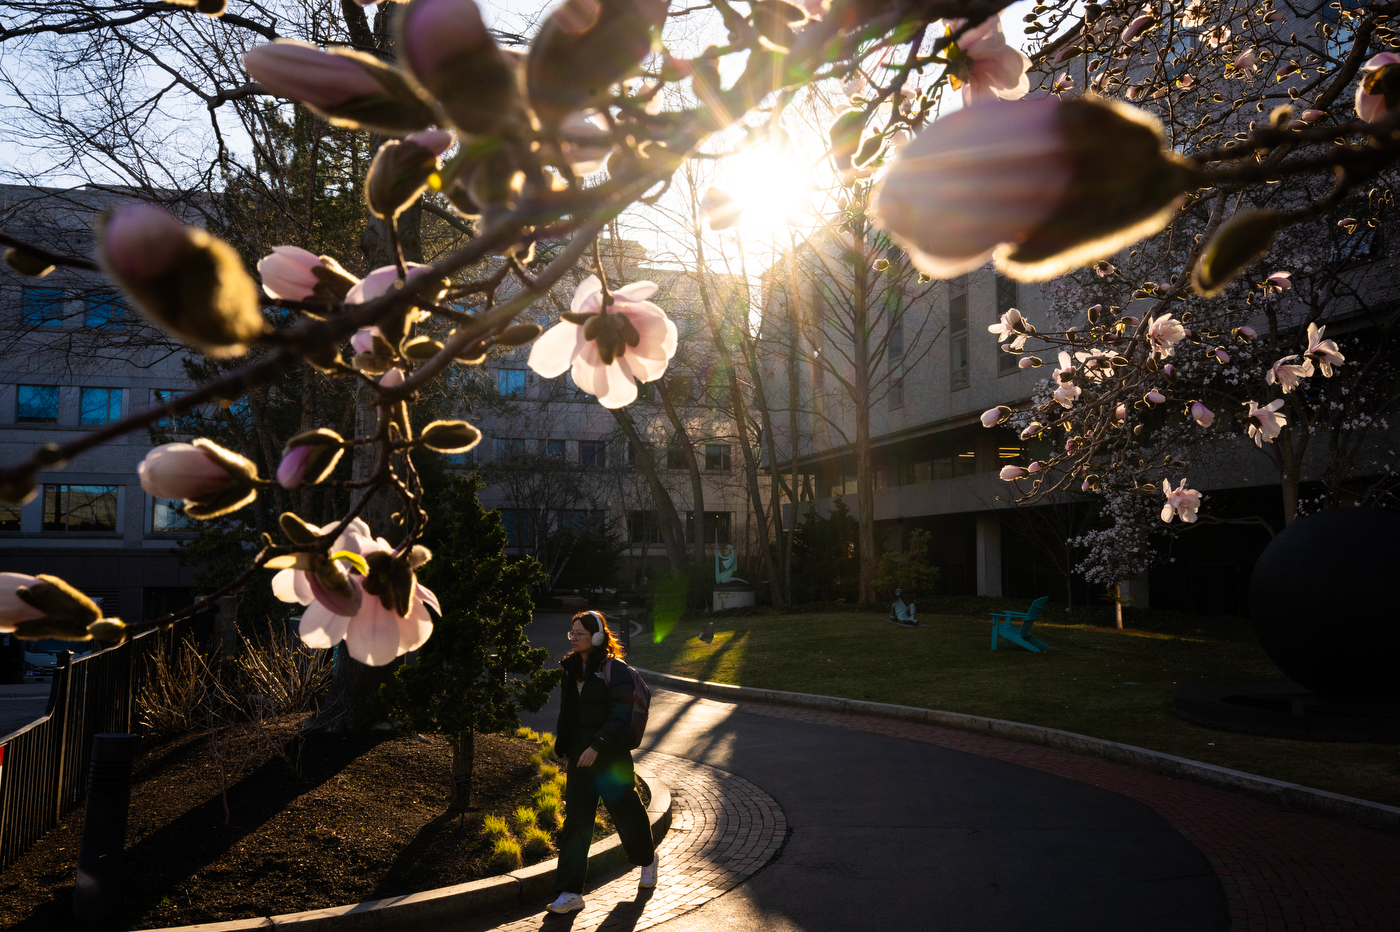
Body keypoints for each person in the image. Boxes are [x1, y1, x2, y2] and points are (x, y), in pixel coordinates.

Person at [545, 610, 658, 915]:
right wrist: (566, 746)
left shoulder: (614, 670)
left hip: (610, 757)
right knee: (576, 824)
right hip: (580, 759)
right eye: (571, 633)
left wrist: (598, 745)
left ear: (596, 636)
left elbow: (620, 715)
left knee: (627, 813)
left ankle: (647, 860)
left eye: (579, 633)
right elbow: (568, 714)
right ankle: (570, 892)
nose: (573, 637)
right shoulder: (570, 670)